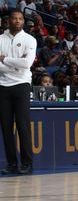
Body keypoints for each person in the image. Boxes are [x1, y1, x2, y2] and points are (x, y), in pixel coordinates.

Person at [0, 10, 37, 174]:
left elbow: (27, 63)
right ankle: (12, 163)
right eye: (14, 18)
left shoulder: (30, 39)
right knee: (6, 127)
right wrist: (16, 64)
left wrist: (4, 59)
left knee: (23, 125)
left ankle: (27, 163)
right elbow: (19, 64)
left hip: (22, 84)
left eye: (20, 19)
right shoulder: (0, 39)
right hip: (2, 85)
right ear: (8, 21)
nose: (17, 21)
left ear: (23, 21)